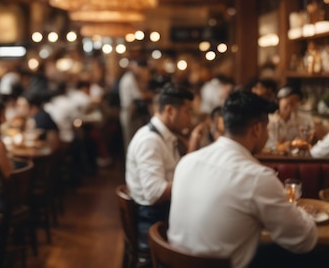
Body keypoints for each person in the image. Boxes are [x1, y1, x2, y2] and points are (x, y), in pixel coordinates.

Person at [168, 91, 317, 268]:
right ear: (256, 128)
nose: (268, 136)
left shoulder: (187, 162)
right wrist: (304, 214)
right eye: (267, 128)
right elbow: (303, 240)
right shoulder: (257, 177)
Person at [125, 83, 195, 259]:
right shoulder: (150, 141)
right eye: (187, 111)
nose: (190, 118)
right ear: (170, 110)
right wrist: (193, 183)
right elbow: (154, 193)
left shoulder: (165, 136)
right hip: (153, 220)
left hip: (161, 213)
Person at [265, 86, 313, 154]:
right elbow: (269, 145)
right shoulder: (269, 120)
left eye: (296, 101)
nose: (292, 104)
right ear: (279, 101)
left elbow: (306, 140)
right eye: (288, 100)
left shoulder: (303, 120)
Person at [119, 58, 150, 155]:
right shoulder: (129, 78)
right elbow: (139, 96)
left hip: (132, 112)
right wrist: (151, 95)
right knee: (130, 141)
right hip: (129, 112)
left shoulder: (132, 78)